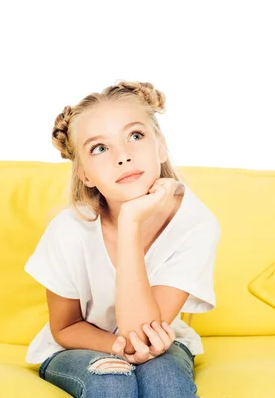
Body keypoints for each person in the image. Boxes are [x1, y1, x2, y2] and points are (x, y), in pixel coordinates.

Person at [24, 80, 221, 398]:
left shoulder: (196, 224)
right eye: (100, 148)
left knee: (165, 383)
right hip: (79, 345)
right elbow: (64, 327)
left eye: (136, 136)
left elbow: (143, 334)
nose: (123, 156)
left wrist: (129, 221)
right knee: (112, 381)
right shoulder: (68, 230)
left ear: (160, 146)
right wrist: (117, 346)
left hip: (158, 343)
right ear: (85, 174)